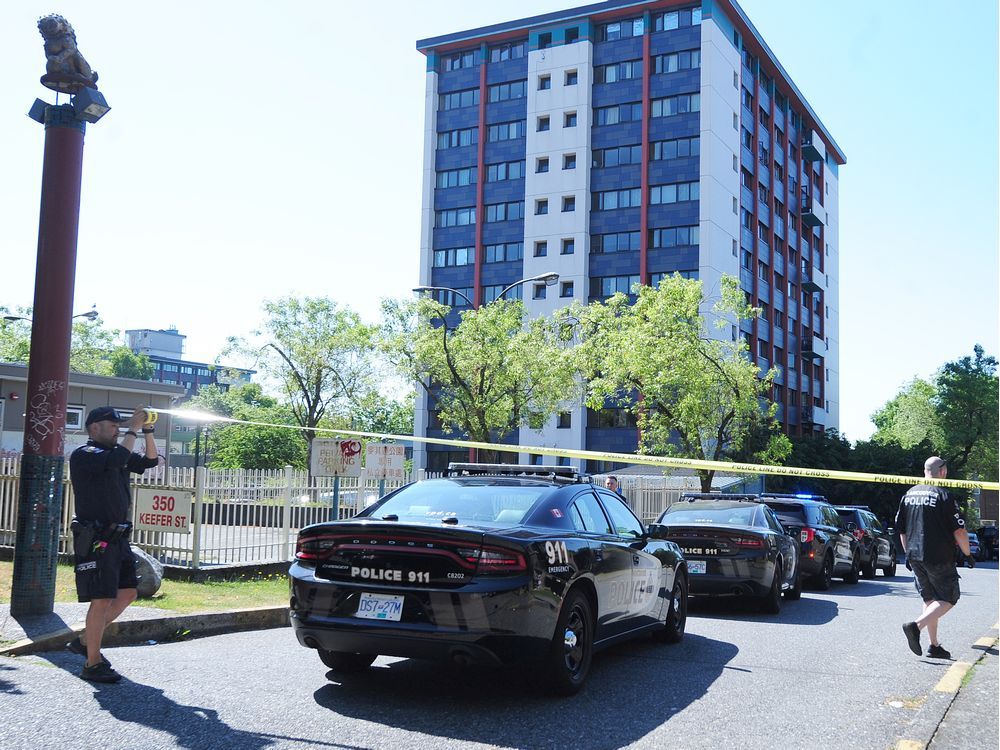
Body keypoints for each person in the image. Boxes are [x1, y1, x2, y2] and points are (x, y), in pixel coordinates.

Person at [68, 406, 159, 683]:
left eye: (119, 426)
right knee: (101, 599)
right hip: (97, 540)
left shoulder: (116, 457)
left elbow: (151, 462)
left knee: (128, 593)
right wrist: (133, 426)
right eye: (113, 425)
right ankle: (92, 664)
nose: (118, 429)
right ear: (94, 428)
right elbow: (119, 455)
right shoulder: (85, 455)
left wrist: (148, 430)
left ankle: (85, 641)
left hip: (118, 539)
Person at [897, 456, 974, 660]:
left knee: (930, 599)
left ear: (925, 471)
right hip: (938, 556)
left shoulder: (909, 494)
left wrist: (908, 553)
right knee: (949, 598)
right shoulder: (944, 496)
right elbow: (959, 531)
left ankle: (934, 645)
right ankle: (916, 626)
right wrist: (968, 554)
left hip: (915, 556)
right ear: (943, 472)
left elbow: (902, 531)